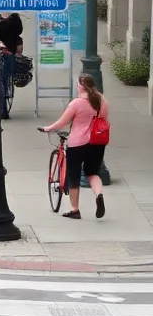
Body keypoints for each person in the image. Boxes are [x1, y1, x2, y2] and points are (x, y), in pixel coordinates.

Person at [39, 73, 109, 219]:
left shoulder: (77, 103)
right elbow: (104, 119)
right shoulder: (102, 100)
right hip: (97, 142)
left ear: (81, 86)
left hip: (78, 144)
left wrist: (47, 128)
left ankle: (75, 209)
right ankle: (99, 194)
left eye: (77, 84)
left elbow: (62, 122)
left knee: (74, 177)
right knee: (92, 173)